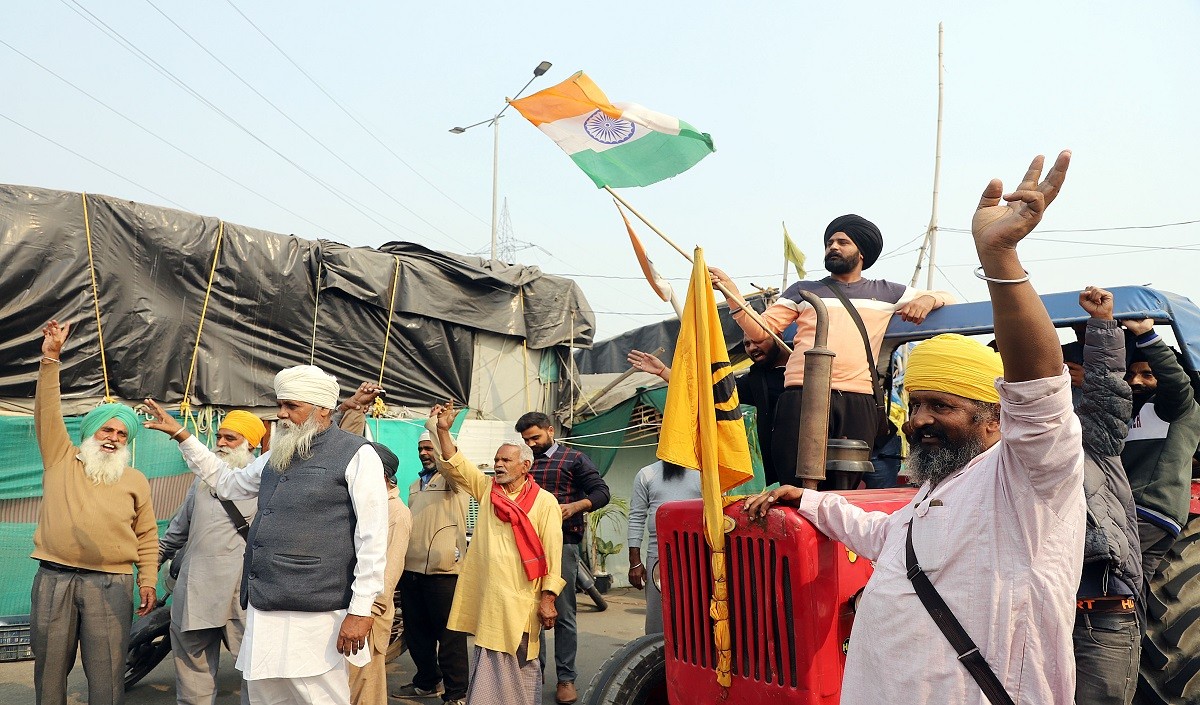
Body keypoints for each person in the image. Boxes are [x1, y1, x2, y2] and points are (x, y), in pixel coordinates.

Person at [747, 152, 1086, 703]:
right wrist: (807, 502)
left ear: (996, 418)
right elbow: (886, 536)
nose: (919, 420)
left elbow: (1040, 390)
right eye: (914, 404)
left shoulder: (1028, 480)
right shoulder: (933, 492)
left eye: (941, 406)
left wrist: (999, 258)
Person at [143, 364, 389, 705]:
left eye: (291, 406)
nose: (281, 414)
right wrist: (183, 436)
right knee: (264, 695)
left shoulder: (357, 453)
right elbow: (229, 482)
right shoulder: (278, 454)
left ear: (322, 409)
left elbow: (372, 537)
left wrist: (361, 610)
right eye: (281, 404)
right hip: (264, 603)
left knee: (319, 697)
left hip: (319, 609)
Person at [709, 214, 954, 484]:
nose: (833, 247)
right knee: (795, 478)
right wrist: (731, 293)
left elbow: (948, 297)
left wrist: (929, 298)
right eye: (829, 242)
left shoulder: (886, 292)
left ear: (861, 252)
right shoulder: (801, 290)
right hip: (802, 393)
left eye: (842, 242)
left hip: (857, 397)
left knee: (845, 482)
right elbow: (760, 331)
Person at [31, 319, 158, 705]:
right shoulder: (60, 458)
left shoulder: (135, 479)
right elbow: (47, 411)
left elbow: (147, 535)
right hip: (54, 579)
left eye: (122, 434)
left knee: (107, 671)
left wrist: (147, 580)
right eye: (107, 431)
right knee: (49, 669)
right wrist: (50, 358)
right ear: (91, 433)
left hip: (112, 583)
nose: (114, 438)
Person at [428, 402, 565, 705]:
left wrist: (548, 598)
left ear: (525, 466)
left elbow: (553, 557)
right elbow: (456, 463)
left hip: (522, 600)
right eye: (496, 459)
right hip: (490, 599)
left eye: (506, 460)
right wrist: (442, 430)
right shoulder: (488, 491)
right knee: (488, 658)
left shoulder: (544, 503)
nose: (499, 465)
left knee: (521, 663)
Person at [158, 411, 266, 705]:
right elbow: (177, 532)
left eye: (230, 438)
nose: (221, 443)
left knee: (258, 677)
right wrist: (150, 563)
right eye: (219, 436)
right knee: (193, 678)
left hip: (242, 596)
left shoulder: (264, 485)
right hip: (196, 593)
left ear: (251, 445)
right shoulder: (200, 483)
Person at [1071, 287, 1142, 705]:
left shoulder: (1091, 439)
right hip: (1035, 613)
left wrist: (1101, 327)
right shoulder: (1002, 456)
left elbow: (1105, 390)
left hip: (1100, 613)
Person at [515, 411, 610, 705]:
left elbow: (601, 492)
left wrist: (576, 506)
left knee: (563, 612)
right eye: (526, 440)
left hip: (565, 543)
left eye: (536, 437)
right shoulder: (524, 463)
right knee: (530, 610)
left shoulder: (574, 459)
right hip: (527, 546)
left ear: (551, 430)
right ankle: (535, 674)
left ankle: (566, 678)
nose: (531, 444)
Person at [630, 338, 791, 485]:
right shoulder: (757, 379)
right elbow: (710, 391)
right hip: (789, 469)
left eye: (757, 340)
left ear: (778, 336)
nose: (752, 347)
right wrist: (663, 371)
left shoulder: (806, 357)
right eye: (746, 344)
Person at [1119, 317, 1200, 588]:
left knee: (1085, 563)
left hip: (1148, 509)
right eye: (1131, 374)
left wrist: (1147, 335)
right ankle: (1132, 631)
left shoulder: (1174, 407)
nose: (1135, 381)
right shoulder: (1134, 413)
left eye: (1147, 374)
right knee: (1132, 591)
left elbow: (1175, 383)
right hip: (1150, 513)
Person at [392, 431, 472, 703]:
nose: (424, 453)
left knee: (450, 638)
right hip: (412, 570)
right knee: (417, 635)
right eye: (420, 448)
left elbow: (450, 461)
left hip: (444, 571)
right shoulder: (415, 485)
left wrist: (439, 430)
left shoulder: (454, 481)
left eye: (429, 448)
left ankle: (457, 693)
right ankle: (427, 681)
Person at [347, 442, 412, 705]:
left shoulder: (397, 512)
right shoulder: (366, 506)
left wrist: (366, 614)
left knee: (366, 688)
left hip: (367, 616)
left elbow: (390, 572)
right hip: (352, 611)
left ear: (381, 476)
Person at [626, 460, 702, 634]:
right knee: (658, 623)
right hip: (658, 559)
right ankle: (659, 660)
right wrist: (635, 562)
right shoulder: (646, 474)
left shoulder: (704, 472)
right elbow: (636, 517)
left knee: (697, 620)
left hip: (699, 557)